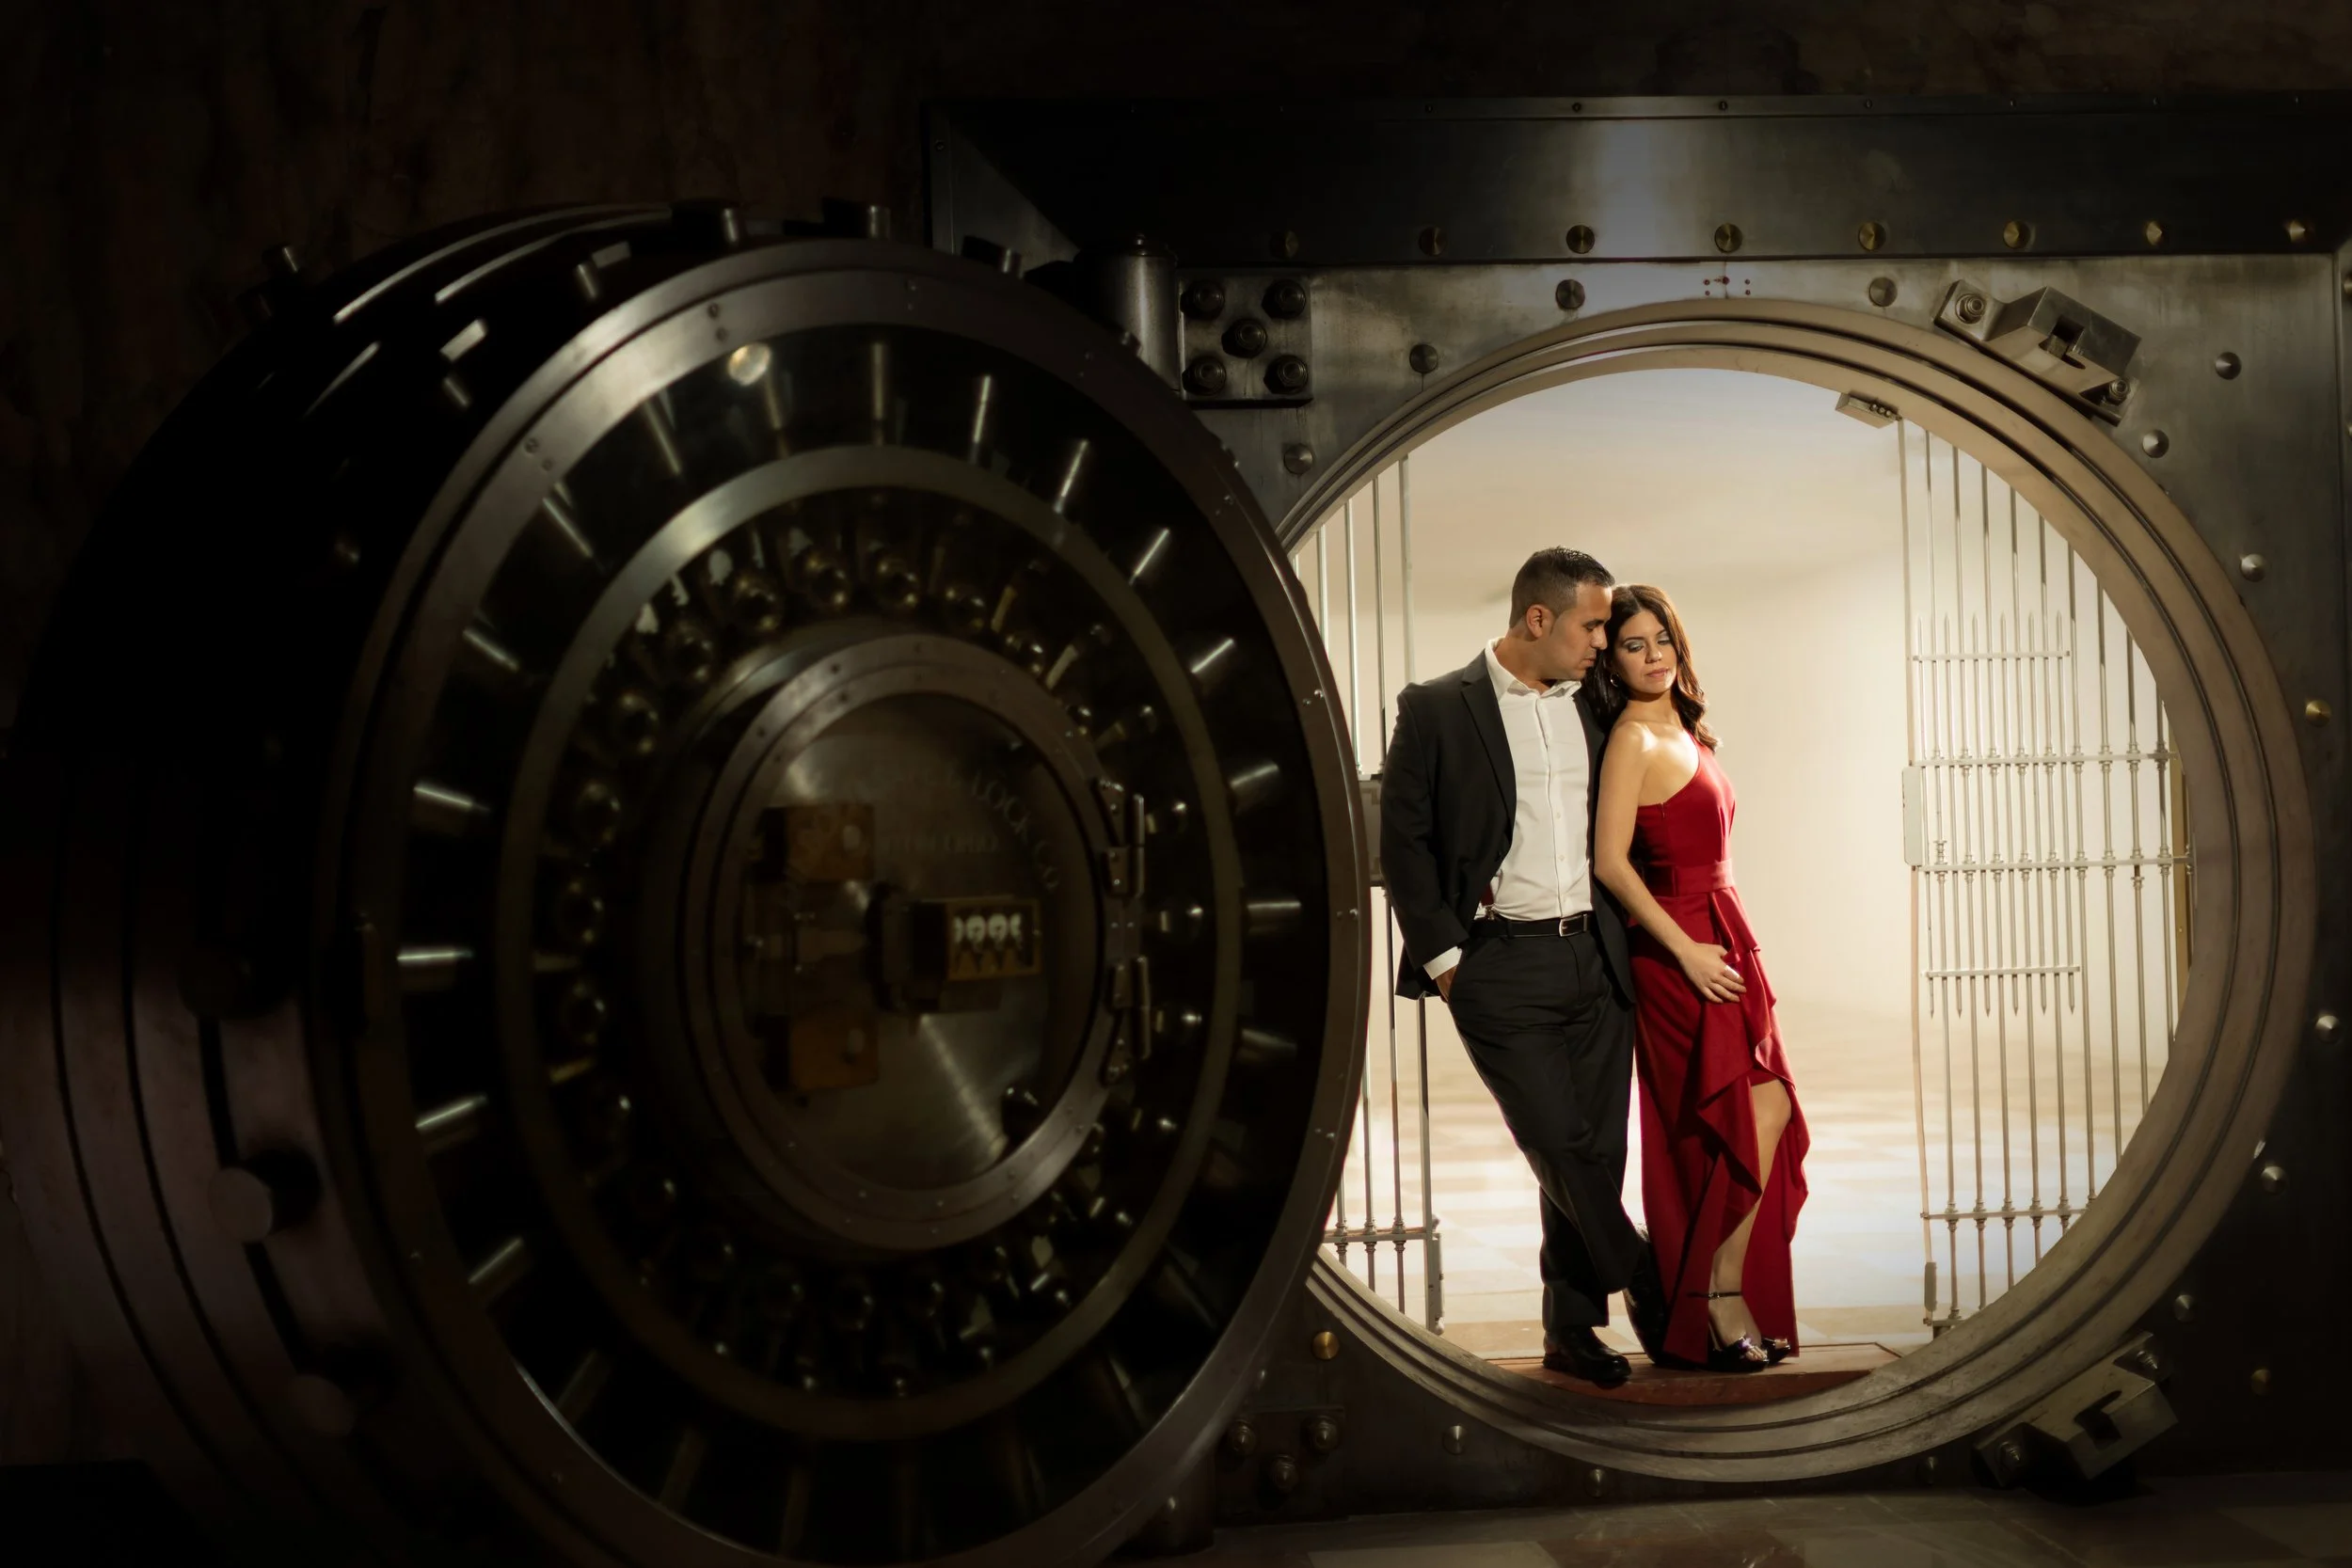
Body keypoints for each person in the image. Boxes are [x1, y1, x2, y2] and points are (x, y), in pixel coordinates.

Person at [1380, 547, 1665, 1388]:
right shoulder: (1436, 707)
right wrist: (1447, 963)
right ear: (1537, 619)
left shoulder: (1598, 702)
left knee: (1592, 1156)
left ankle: (1570, 1332)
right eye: (1590, 625)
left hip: (1596, 956)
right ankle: (1643, 1272)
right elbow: (1405, 844)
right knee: (1554, 1138)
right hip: (1498, 963)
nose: (1601, 641)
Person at [1590, 583, 1809, 1372]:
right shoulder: (1630, 741)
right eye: (1633, 645)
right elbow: (1611, 864)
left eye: (1662, 641)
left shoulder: (1685, 727)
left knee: (1768, 1103)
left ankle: (1723, 1288)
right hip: (1679, 950)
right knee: (1721, 1120)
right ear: (1611, 660)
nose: (1653, 657)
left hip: (1726, 937)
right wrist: (1684, 950)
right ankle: (1713, 1301)